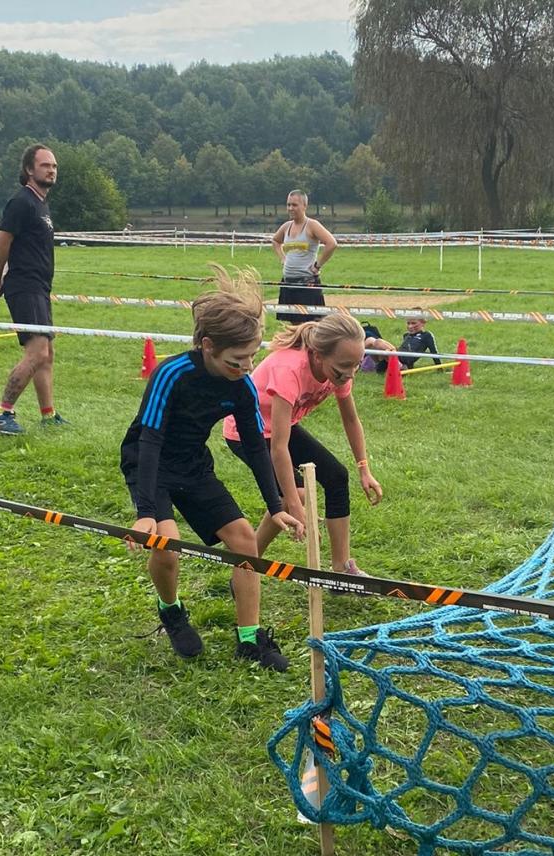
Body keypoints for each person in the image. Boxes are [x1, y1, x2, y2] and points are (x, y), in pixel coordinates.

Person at [121, 265, 304, 671]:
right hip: (147, 463)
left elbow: (257, 447)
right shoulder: (172, 373)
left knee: (244, 540)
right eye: (238, 360)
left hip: (192, 466)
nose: (246, 367)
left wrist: (275, 505)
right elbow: (149, 440)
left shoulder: (242, 385)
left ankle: (250, 639)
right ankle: (170, 610)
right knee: (167, 548)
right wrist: (147, 513)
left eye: (253, 357)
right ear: (207, 346)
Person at [223, 313, 383, 580]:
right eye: (344, 367)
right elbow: (278, 447)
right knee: (290, 497)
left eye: (356, 365)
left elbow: (351, 419)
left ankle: (341, 569)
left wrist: (364, 469)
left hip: (281, 427)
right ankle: (247, 564)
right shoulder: (289, 370)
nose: (349, 374)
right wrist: (297, 507)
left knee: (336, 477)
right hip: (246, 432)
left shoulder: (340, 370)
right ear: (318, 355)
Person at [0, 143, 67, 434]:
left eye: (54, 165)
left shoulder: (40, 203)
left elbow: (20, 247)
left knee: (47, 353)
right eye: (45, 165)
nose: (51, 169)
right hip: (26, 287)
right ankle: (2, 414)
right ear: (29, 170)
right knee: (36, 352)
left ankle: (48, 414)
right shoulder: (21, 202)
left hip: (39, 287)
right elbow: (1, 245)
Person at [271, 189, 337, 324]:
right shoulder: (286, 226)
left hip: (307, 284)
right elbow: (275, 241)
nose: (290, 208)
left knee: (311, 325)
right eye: (288, 205)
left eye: (294, 205)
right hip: (288, 283)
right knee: (294, 326)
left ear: (304, 206)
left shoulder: (312, 225)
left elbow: (331, 243)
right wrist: (282, 258)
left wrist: (318, 265)